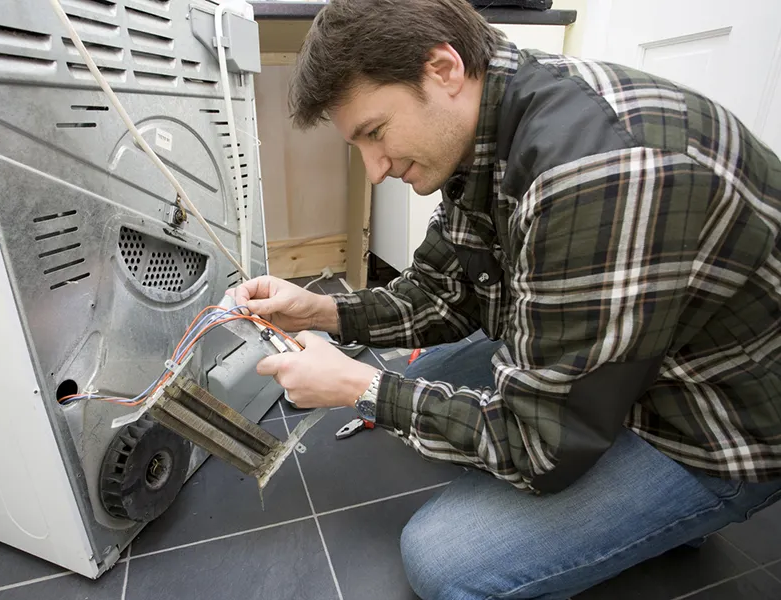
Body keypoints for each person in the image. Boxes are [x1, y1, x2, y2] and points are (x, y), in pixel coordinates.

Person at [231, 0, 781, 597]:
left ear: (442, 69)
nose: (376, 169)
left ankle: (679, 516)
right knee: (437, 378)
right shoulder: (488, 123)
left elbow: (540, 446)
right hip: (631, 354)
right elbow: (444, 292)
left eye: (375, 133)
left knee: (444, 560)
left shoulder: (593, 174)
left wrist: (361, 387)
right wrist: (323, 312)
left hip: (712, 415)